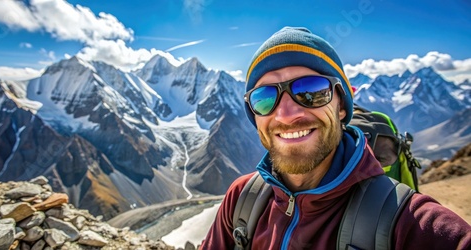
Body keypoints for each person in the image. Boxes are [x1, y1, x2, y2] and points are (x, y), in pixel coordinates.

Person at [200, 27, 471, 249]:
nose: (286, 114)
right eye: (264, 98)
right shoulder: (242, 200)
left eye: (311, 91)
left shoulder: (406, 222)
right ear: (253, 115)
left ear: (342, 106)